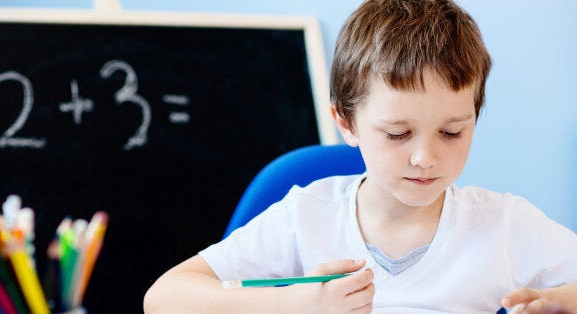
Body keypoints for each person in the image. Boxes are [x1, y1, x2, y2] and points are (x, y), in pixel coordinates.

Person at [143, 0, 577, 312]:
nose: (425, 157)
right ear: (346, 122)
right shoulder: (306, 217)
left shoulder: (503, 225)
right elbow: (163, 298)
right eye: (397, 133)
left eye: (451, 132)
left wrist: (561, 300)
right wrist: (293, 303)